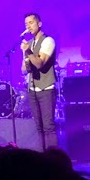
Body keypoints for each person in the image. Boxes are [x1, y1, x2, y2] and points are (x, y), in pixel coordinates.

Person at [20, 13, 58, 151]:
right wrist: (25, 56)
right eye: (26, 24)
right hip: (32, 90)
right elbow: (24, 69)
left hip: (46, 88)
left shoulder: (48, 41)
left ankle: (53, 158)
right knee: (39, 127)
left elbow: (40, 63)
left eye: (31, 23)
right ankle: (42, 157)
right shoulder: (29, 44)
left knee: (48, 127)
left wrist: (28, 52)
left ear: (39, 24)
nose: (28, 26)